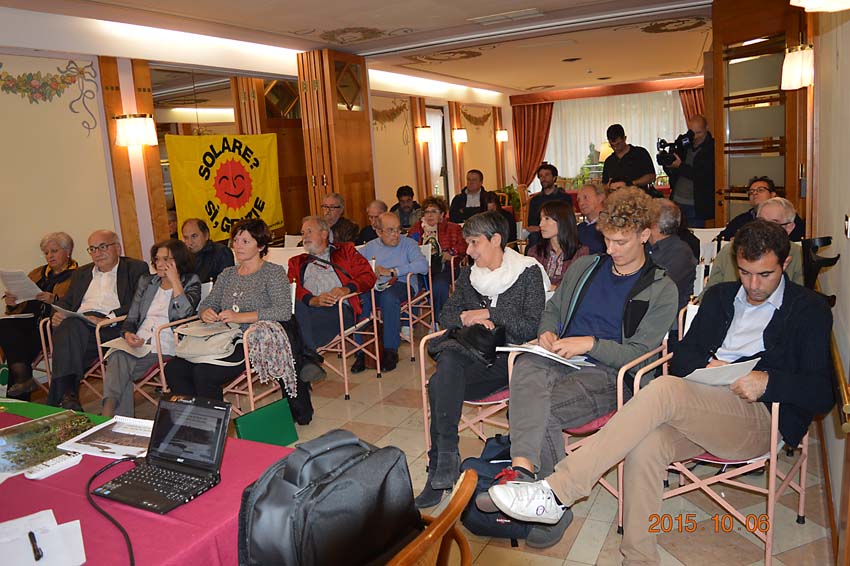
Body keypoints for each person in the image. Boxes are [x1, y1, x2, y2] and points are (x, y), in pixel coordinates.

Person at [487, 220, 834, 563]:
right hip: (701, 406)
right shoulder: (721, 297)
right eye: (745, 272)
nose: (753, 285)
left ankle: (558, 491)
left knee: (665, 388)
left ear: (785, 264)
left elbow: (822, 392)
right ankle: (639, 558)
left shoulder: (809, 309)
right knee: (646, 444)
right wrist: (710, 365)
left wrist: (767, 381)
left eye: (765, 275)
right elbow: (682, 357)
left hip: (759, 418)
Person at [474, 188, 677, 545]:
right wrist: (547, 330)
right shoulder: (586, 267)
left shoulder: (661, 288)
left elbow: (640, 353)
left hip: (611, 374)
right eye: (607, 240)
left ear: (645, 234)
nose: (611, 250)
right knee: (526, 364)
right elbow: (553, 308)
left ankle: (553, 504)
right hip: (562, 356)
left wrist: (590, 344)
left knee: (544, 408)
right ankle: (523, 474)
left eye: (621, 242)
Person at [414, 211, 549, 509]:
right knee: (447, 366)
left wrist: (491, 315)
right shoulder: (470, 275)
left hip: (510, 360)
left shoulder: (527, 272)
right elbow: (446, 315)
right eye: (467, 243)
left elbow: (532, 326)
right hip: (470, 356)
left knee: (440, 380)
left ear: (496, 240)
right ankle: (444, 461)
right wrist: (470, 320)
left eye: (474, 242)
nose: (469, 250)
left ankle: (441, 466)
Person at [165, 219, 291, 400]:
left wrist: (240, 317)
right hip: (221, 337)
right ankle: (192, 414)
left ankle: (211, 417)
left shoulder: (273, 272)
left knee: (204, 373)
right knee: (174, 369)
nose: (238, 246)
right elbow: (209, 303)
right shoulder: (228, 274)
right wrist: (206, 312)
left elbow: (283, 311)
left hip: (252, 340)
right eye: (236, 240)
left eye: (245, 241)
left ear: (261, 246)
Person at [47, 230, 148, 410]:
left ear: (117, 248)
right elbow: (67, 301)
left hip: (111, 326)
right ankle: (67, 395)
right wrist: (57, 314)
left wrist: (107, 318)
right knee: (69, 325)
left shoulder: (135, 268)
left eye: (103, 247)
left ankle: (63, 395)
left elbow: (140, 302)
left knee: (69, 333)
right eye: (92, 249)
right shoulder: (82, 273)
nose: (97, 253)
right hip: (79, 326)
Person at [102, 239, 201, 417]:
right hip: (138, 341)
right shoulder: (147, 281)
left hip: (165, 343)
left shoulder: (190, 281)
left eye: (166, 259)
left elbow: (185, 314)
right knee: (117, 356)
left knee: (119, 369)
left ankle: (109, 414)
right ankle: (111, 414)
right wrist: (128, 333)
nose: (160, 264)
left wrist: (175, 282)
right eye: (157, 259)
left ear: (178, 260)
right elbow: (132, 316)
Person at [289, 216, 376, 365]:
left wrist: (347, 289)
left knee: (294, 330)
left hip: (339, 308)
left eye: (309, 231)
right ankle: (309, 359)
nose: (305, 237)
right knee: (292, 317)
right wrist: (312, 300)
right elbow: (291, 288)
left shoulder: (345, 252)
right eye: (303, 233)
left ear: (324, 234)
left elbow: (368, 276)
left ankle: (305, 359)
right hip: (308, 308)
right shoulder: (297, 262)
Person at [1, 232, 78, 399]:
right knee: (4, 325)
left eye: (54, 251)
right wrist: (13, 302)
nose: (50, 256)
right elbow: (21, 301)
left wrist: (54, 299)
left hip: (52, 325)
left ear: (68, 251)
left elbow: (77, 304)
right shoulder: (36, 273)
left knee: (18, 346)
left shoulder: (78, 275)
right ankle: (24, 379)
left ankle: (21, 387)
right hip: (27, 321)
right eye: (46, 252)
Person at [354, 213, 428, 372]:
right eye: (390, 230)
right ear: (379, 232)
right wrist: (369, 271)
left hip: (402, 283)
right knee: (360, 300)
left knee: (389, 298)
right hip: (376, 286)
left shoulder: (408, 244)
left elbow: (423, 266)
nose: (396, 234)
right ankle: (362, 352)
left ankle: (390, 351)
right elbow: (354, 265)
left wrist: (394, 271)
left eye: (398, 230)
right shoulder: (370, 246)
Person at [704, 197, 805, 294]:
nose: (765, 229)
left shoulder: (799, 254)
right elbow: (709, 293)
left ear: (789, 228)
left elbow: (801, 295)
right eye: (761, 222)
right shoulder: (731, 250)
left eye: (773, 224)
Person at [408, 196, 467, 317]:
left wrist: (451, 253)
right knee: (409, 284)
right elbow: (407, 246)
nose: (429, 215)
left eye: (434, 211)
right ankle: (408, 322)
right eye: (427, 212)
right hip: (421, 268)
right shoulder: (417, 228)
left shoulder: (453, 228)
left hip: (445, 266)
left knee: (439, 285)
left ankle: (438, 319)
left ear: (442, 214)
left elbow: (463, 246)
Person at [663, 114, 715, 228]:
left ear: (707, 128)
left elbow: (703, 175)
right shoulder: (685, 143)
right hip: (677, 200)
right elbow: (673, 171)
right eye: (692, 132)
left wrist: (680, 166)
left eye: (699, 132)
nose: (695, 136)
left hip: (696, 205)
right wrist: (668, 164)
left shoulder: (712, 148)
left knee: (695, 234)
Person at [647, 199, 698, 311]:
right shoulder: (645, 246)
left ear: (654, 223)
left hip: (665, 314)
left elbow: (659, 291)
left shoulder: (680, 252)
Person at [718, 176, 806, 241]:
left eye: (760, 190)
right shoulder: (741, 220)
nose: (754, 193)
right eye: (751, 192)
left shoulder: (787, 216)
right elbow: (721, 239)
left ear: (773, 195)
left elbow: (799, 240)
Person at [526, 200, 589, 288]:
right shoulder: (535, 252)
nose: (541, 224)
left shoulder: (580, 253)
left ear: (562, 221)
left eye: (547, 219)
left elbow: (576, 284)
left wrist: (556, 288)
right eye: (541, 219)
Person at [526, 163, 572, 248]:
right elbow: (531, 225)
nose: (543, 178)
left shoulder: (564, 198)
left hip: (560, 232)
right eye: (541, 176)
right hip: (540, 233)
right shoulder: (535, 200)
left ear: (554, 178)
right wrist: (541, 228)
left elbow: (568, 221)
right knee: (533, 238)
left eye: (547, 175)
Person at [602, 124, 656, 189]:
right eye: (612, 145)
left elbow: (651, 177)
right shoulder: (609, 161)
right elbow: (604, 184)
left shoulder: (640, 153)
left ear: (625, 138)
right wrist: (609, 186)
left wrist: (631, 183)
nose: (615, 148)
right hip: (616, 194)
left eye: (618, 144)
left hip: (639, 194)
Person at [181, 218, 235, 283]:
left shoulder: (221, 252)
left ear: (206, 235)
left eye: (194, 236)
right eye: (186, 238)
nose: (190, 242)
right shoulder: (183, 257)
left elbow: (227, 282)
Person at [575, 183, 607, 254]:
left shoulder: (609, 225)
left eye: (585, 198)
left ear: (600, 198)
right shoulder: (578, 229)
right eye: (578, 200)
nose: (581, 203)